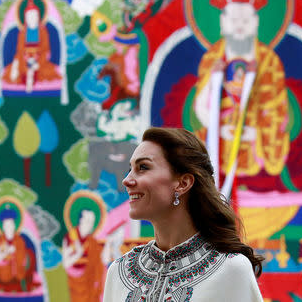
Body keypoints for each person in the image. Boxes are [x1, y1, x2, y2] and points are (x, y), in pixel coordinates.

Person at [103, 127, 264, 301]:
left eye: (143, 167)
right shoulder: (120, 271)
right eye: (130, 169)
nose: (127, 180)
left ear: (183, 183)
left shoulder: (231, 269)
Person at [192, 0, 290, 195]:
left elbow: (278, 110)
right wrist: (218, 128)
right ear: (222, 22)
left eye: (245, 20)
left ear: (256, 23)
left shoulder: (268, 60)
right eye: (233, 20)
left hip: (257, 142)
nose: (239, 26)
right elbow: (200, 107)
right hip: (219, 138)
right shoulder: (212, 59)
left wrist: (256, 133)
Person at [2, 0, 61, 93]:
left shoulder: (43, 32)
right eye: (29, 16)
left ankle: (32, 76)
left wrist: (38, 63)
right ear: (25, 18)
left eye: (34, 16)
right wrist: (16, 65)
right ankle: (27, 78)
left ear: (39, 17)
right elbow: (19, 51)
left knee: (48, 72)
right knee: (12, 74)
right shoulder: (22, 33)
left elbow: (46, 50)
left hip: (40, 61)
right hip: (23, 60)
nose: (32, 19)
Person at [0, 206, 38, 292]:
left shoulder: (19, 241)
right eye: (6, 225)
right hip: (4, 273)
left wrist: (16, 252)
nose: (8, 228)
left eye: (11, 225)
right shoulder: (0, 241)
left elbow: (22, 257)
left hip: (18, 274)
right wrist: (4, 254)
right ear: (3, 226)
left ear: (14, 226)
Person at [62, 209, 105, 302]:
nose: (90, 225)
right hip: (76, 283)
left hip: (91, 284)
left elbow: (100, 264)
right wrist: (78, 253)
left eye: (92, 222)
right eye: (88, 221)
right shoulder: (71, 237)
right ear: (81, 220)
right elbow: (66, 264)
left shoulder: (92, 242)